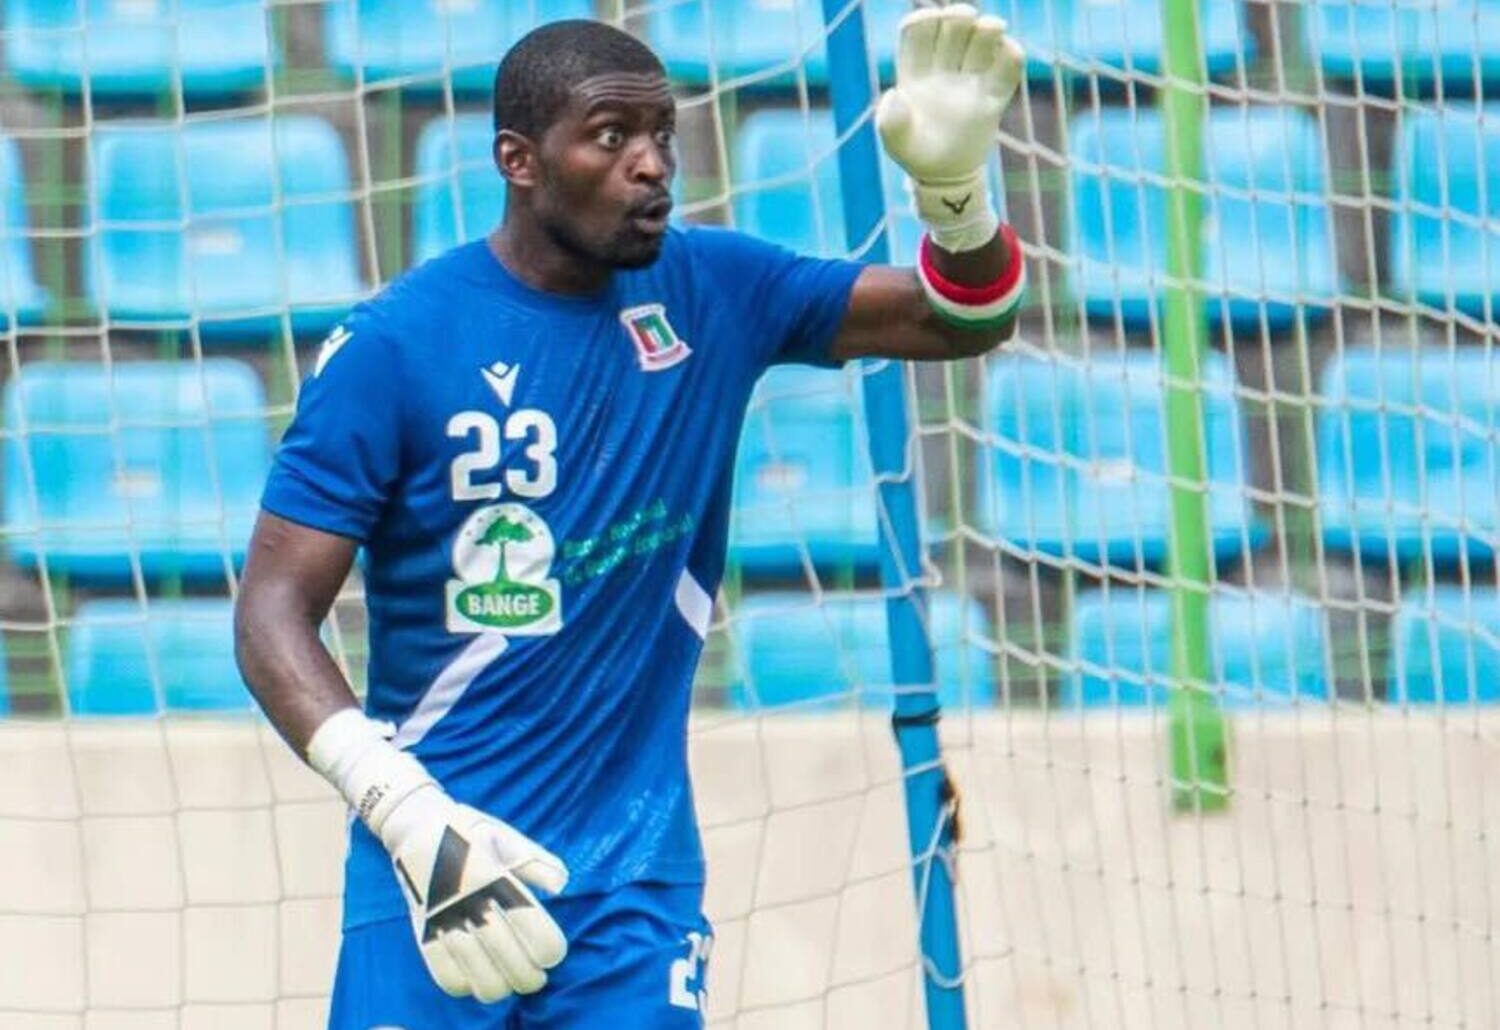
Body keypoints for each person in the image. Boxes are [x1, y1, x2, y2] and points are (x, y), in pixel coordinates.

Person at [233, 7, 1025, 1028]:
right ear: (519, 160)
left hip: (634, 886)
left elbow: (959, 316)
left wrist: (956, 201)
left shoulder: (717, 290)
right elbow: (269, 615)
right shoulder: (395, 346)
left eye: (663, 136)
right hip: (426, 860)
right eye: (612, 138)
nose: (652, 165)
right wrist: (404, 808)